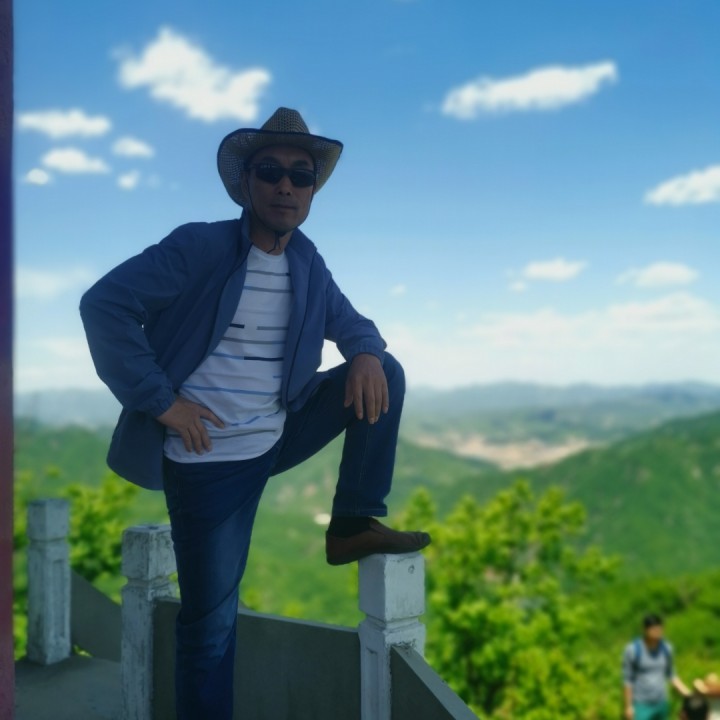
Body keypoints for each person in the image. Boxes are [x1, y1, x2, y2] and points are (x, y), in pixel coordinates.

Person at [80, 107, 431, 719]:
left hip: (279, 432)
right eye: (270, 171)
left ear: (313, 191)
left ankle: (353, 522)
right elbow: (105, 304)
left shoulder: (307, 261)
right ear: (246, 183)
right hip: (207, 458)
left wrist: (365, 352)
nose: (285, 186)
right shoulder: (200, 247)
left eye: (301, 175)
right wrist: (163, 402)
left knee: (385, 371)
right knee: (211, 626)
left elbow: (352, 323)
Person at [622, 614, 691, 720]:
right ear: (645, 630)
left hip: (661, 703)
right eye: (654, 629)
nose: (657, 633)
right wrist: (628, 706)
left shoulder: (666, 649)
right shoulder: (633, 650)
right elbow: (628, 681)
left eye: (659, 629)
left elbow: (672, 675)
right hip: (641, 704)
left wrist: (689, 695)